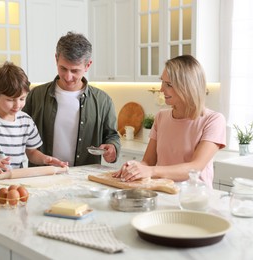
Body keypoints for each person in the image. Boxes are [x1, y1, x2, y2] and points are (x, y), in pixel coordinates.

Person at [113, 55, 226, 188]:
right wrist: (134, 168)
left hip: (194, 199)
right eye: (162, 82)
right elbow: (148, 162)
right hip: (163, 194)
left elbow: (196, 167)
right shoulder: (161, 117)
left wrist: (150, 171)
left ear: (187, 86)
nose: (161, 89)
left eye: (169, 84)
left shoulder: (213, 120)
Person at [23, 32, 120, 166]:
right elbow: (20, 131)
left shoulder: (103, 101)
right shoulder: (36, 95)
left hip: (84, 179)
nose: (68, 77)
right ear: (56, 59)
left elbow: (112, 136)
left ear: (88, 65)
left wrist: (112, 148)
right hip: (42, 176)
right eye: (63, 68)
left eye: (75, 71)